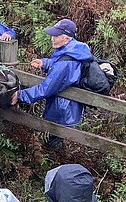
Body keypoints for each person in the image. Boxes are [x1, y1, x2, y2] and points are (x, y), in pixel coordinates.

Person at [11, 19, 92, 149]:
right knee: (55, 138)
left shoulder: (66, 62)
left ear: (66, 38)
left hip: (62, 109)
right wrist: (45, 63)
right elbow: (63, 69)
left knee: (54, 141)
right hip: (67, 106)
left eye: (56, 36)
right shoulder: (74, 49)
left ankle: (56, 160)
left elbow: (47, 88)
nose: (51, 39)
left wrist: (21, 95)